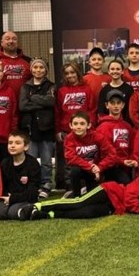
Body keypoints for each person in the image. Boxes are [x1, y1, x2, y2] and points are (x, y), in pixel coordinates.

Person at [24, 168, 139, 219]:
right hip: (110, 191)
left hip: (114, 207)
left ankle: (49, 215)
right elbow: (129, 199)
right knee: (78, 202)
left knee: (84, 213)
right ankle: (38, 206)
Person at [18, 57, 56, 199]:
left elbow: (51, 101)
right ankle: (32, 184)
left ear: (46, 70)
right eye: (35, 67)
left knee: (46, 161)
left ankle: (46, 184)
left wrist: (32, 98)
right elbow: (22, 106)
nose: (38, 70)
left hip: (46, 129)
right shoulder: (25, 87)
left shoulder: (51, 86)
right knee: (31, 159)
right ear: (31, 69)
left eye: (41, 68)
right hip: (30, 129)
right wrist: (42, 102)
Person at [55, 62, 96, 192]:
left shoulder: (87, 89)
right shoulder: (61, 91)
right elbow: (58, 112)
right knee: (69, 161)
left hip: (85, 132)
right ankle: (70, 187)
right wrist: (58, 130)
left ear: (77, 73)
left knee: (86, 157)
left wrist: (90, 128)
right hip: (68, 132)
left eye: (72, 72)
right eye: (67, 73)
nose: (70, 75)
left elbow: (92, 110)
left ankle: (86, 185)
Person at [0, 131, 42, 220]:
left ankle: (31, 208)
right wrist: (5, 198)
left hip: (25, 198)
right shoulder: (5, 163)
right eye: (10, 143)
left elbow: (33, 191)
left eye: (17, 143)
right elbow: (2, 185)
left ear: (26, 147)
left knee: (13, 213)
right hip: (8, 198)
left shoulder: (33, 164)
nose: (12, 146)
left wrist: (13, 198)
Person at [64, 111, 117, 196]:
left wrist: (100, 167)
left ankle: (88, 191)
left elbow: (112, 154)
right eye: (75, 124)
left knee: (93, 197)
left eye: (82, 124)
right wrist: (90, 167)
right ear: (71, 125)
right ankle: (76, 196)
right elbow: (71, 158)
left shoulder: (97, 136)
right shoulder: (69, 138)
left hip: (96, 170)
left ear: (88, 125)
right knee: (74, 171)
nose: (78, 127)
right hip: (83, 169)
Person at [94, 89, 137, 185]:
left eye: (118, 103)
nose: (116, 106)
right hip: (111, 167)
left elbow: (133, 146)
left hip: (127, 166)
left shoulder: (127, 126)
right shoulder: (103, 127)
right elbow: (106, 152)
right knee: (126, 186)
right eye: (112, 103)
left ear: (123, 105)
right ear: (106, 105)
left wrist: (131, 159)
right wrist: (122, 161)